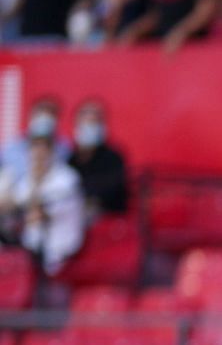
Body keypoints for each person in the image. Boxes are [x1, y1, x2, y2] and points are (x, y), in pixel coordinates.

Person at [1, 134, 85, 273]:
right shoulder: (28, 179)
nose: (38, 155)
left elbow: (39, 212)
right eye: (34, 150)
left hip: (62, 253)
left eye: (43, 150)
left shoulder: (67, 178)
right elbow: (15, 202)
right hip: (32, 252)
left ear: (52, 152)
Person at [69, 99, 130, 216]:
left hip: (107, 216)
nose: (89, 127)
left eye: (94, 123)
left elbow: (113, 190)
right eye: (85, 123)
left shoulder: (113, 158)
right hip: (75, 213)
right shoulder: (71, 159)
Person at [1, 96, 67, 186]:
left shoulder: (64, 149)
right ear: (31, 116)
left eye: (50, 114)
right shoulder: (10, 148)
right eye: (41, 113)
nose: (40, 152)